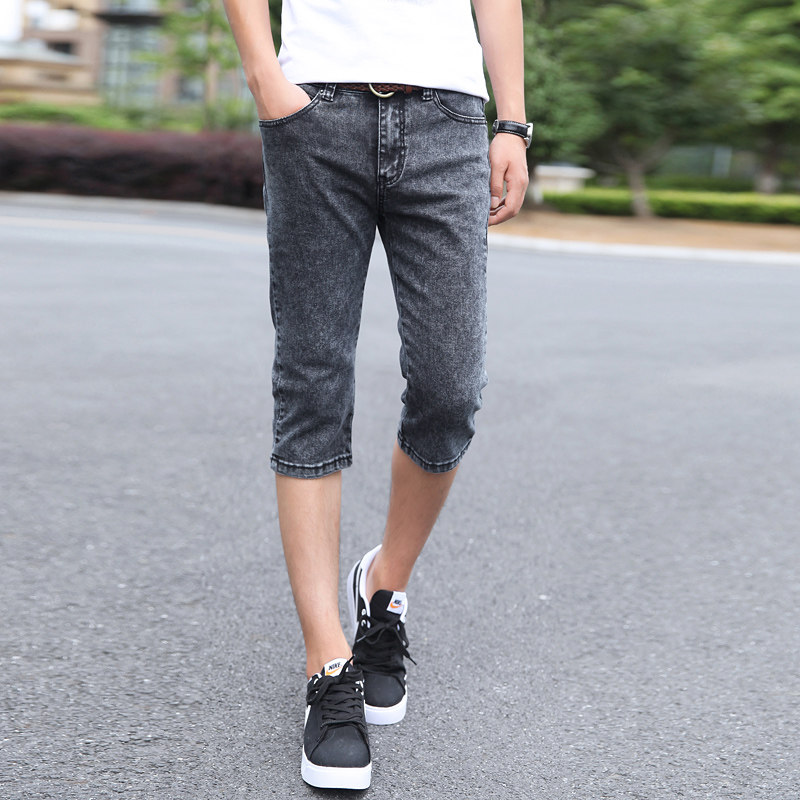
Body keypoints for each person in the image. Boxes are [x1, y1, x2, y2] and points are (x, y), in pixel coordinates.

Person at [222, 0, 531, 789]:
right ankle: (328, 665)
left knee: (450, 388)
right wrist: (263, 74)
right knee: (313, 381)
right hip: (315, 111)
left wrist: (512, 123)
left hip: (449, 120)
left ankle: (383, 584)